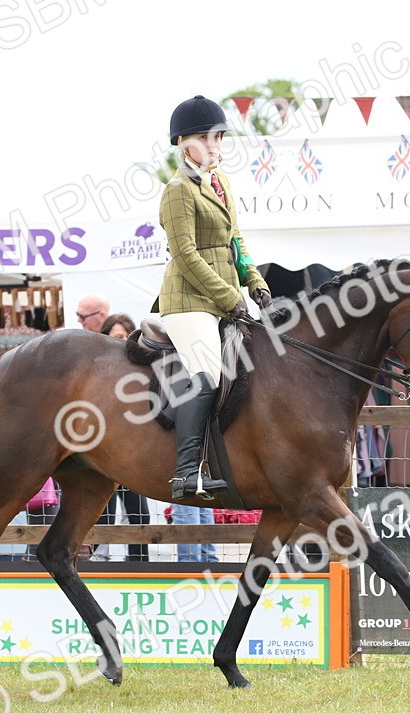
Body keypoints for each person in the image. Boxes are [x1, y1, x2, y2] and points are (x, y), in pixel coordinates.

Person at [156, 95, 273, 501]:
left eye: (218, 138)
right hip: (188, 301)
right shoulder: (177, 190)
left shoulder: (221, 182)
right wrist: (229, 298)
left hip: (224, 297)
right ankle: (187, 472)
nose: (214, 146)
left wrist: (255, 283)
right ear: (183, 142)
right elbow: (185, 255)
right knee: (206, 375)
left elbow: (235, 240)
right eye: (205, 139)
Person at [87, 312, 153, 561]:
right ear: (105, 337)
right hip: (103, 454)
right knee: (102, 513)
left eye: (126, 337)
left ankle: (139, 562)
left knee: (140, 515)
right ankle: (99, 561)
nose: (122, 342)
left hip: (132, 456)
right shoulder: (94, 373)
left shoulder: (140, 373)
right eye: (117, 337)